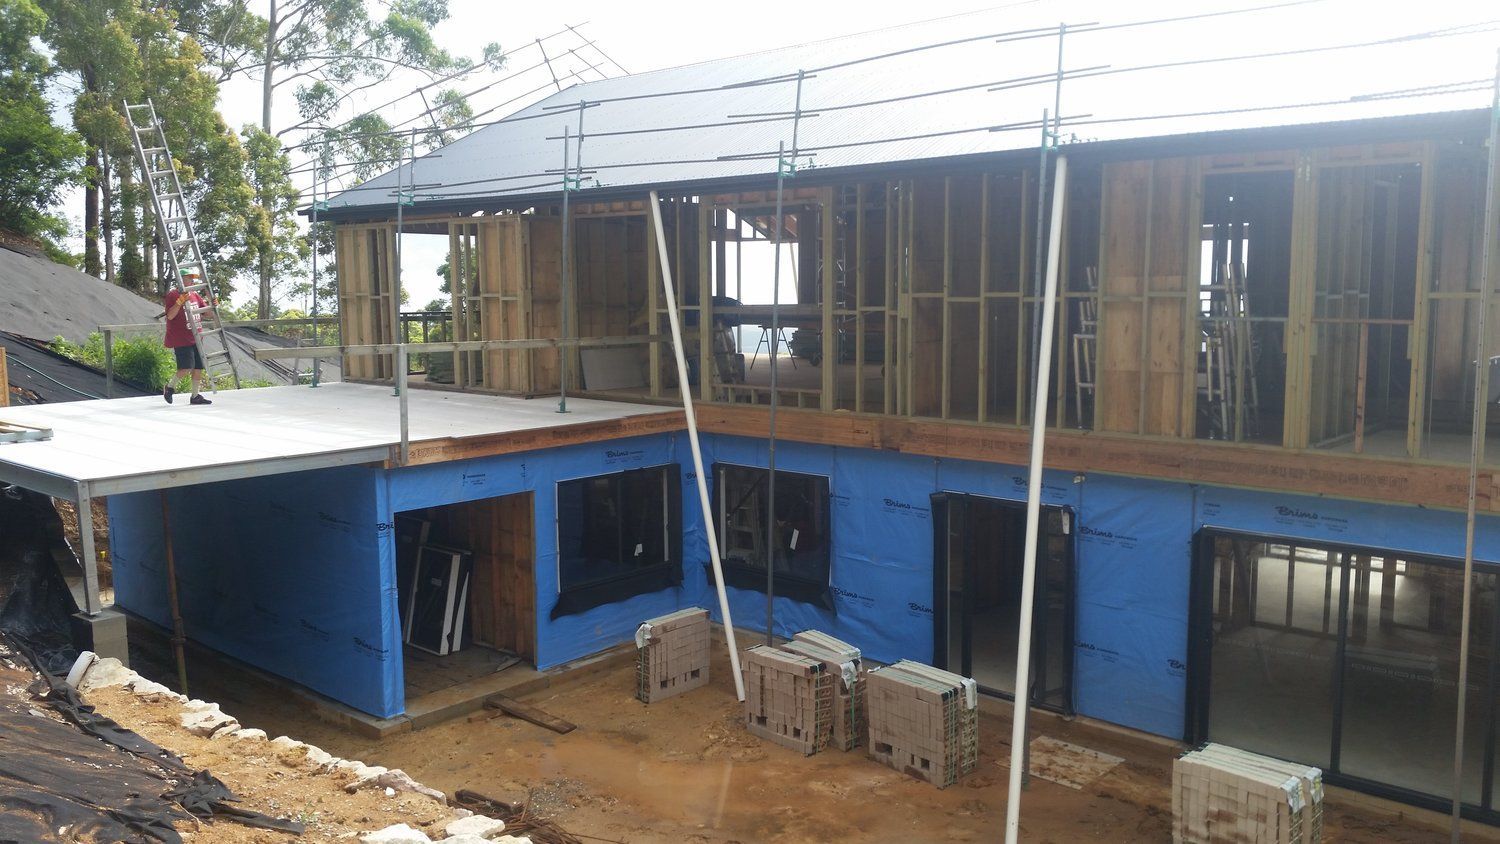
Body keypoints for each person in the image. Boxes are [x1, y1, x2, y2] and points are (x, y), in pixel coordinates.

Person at [162, 286, 211, 405]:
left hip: (196, 337)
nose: (192, 281)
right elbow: (170, 316)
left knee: (198, 368)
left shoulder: (194, 294)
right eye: (189, 277)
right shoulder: (173, 294)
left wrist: (213, 305)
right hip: (181, 338)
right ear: (182, 279)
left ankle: (195, 396)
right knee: (186, 368)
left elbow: (207, 313)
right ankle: (169, 387)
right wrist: (179, 302)